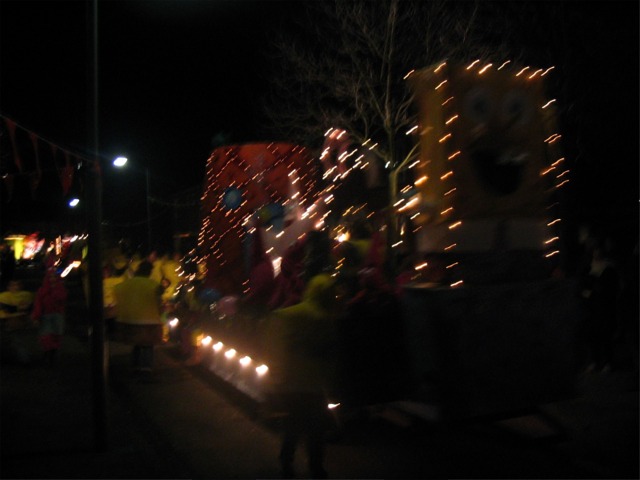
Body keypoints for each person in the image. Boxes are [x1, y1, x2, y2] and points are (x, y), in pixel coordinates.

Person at [264, 230, 338, 479]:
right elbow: (329, 354)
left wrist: (276, 373)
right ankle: (316, 466)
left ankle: (286, 462)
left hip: (292, 382)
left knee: (293, 425)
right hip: (314, 385)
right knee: (315, 428)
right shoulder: (328, 320)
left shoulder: (290, 314)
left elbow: (277, 341)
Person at [113, 260, 164, 375]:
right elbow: (159, 301)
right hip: (149, 320)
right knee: (148, 344)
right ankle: (146, 367)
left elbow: (117, 291)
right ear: (149, 272)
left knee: (136, 343)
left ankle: (135, 365)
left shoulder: (126, 284)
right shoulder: (154, 285)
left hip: (128, 319)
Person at [31, 268, 68, 365]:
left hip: (57, 315)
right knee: (46, 336)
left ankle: (52, 355)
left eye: (54, 277)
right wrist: (36, 316)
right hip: (46, 315)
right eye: (50, 277)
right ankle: (47, 354)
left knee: (56, 335)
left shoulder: (59, 289)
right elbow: (38, 303)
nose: (52, 279)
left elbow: (61, 298)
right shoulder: (43, 290)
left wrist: (54, 289)